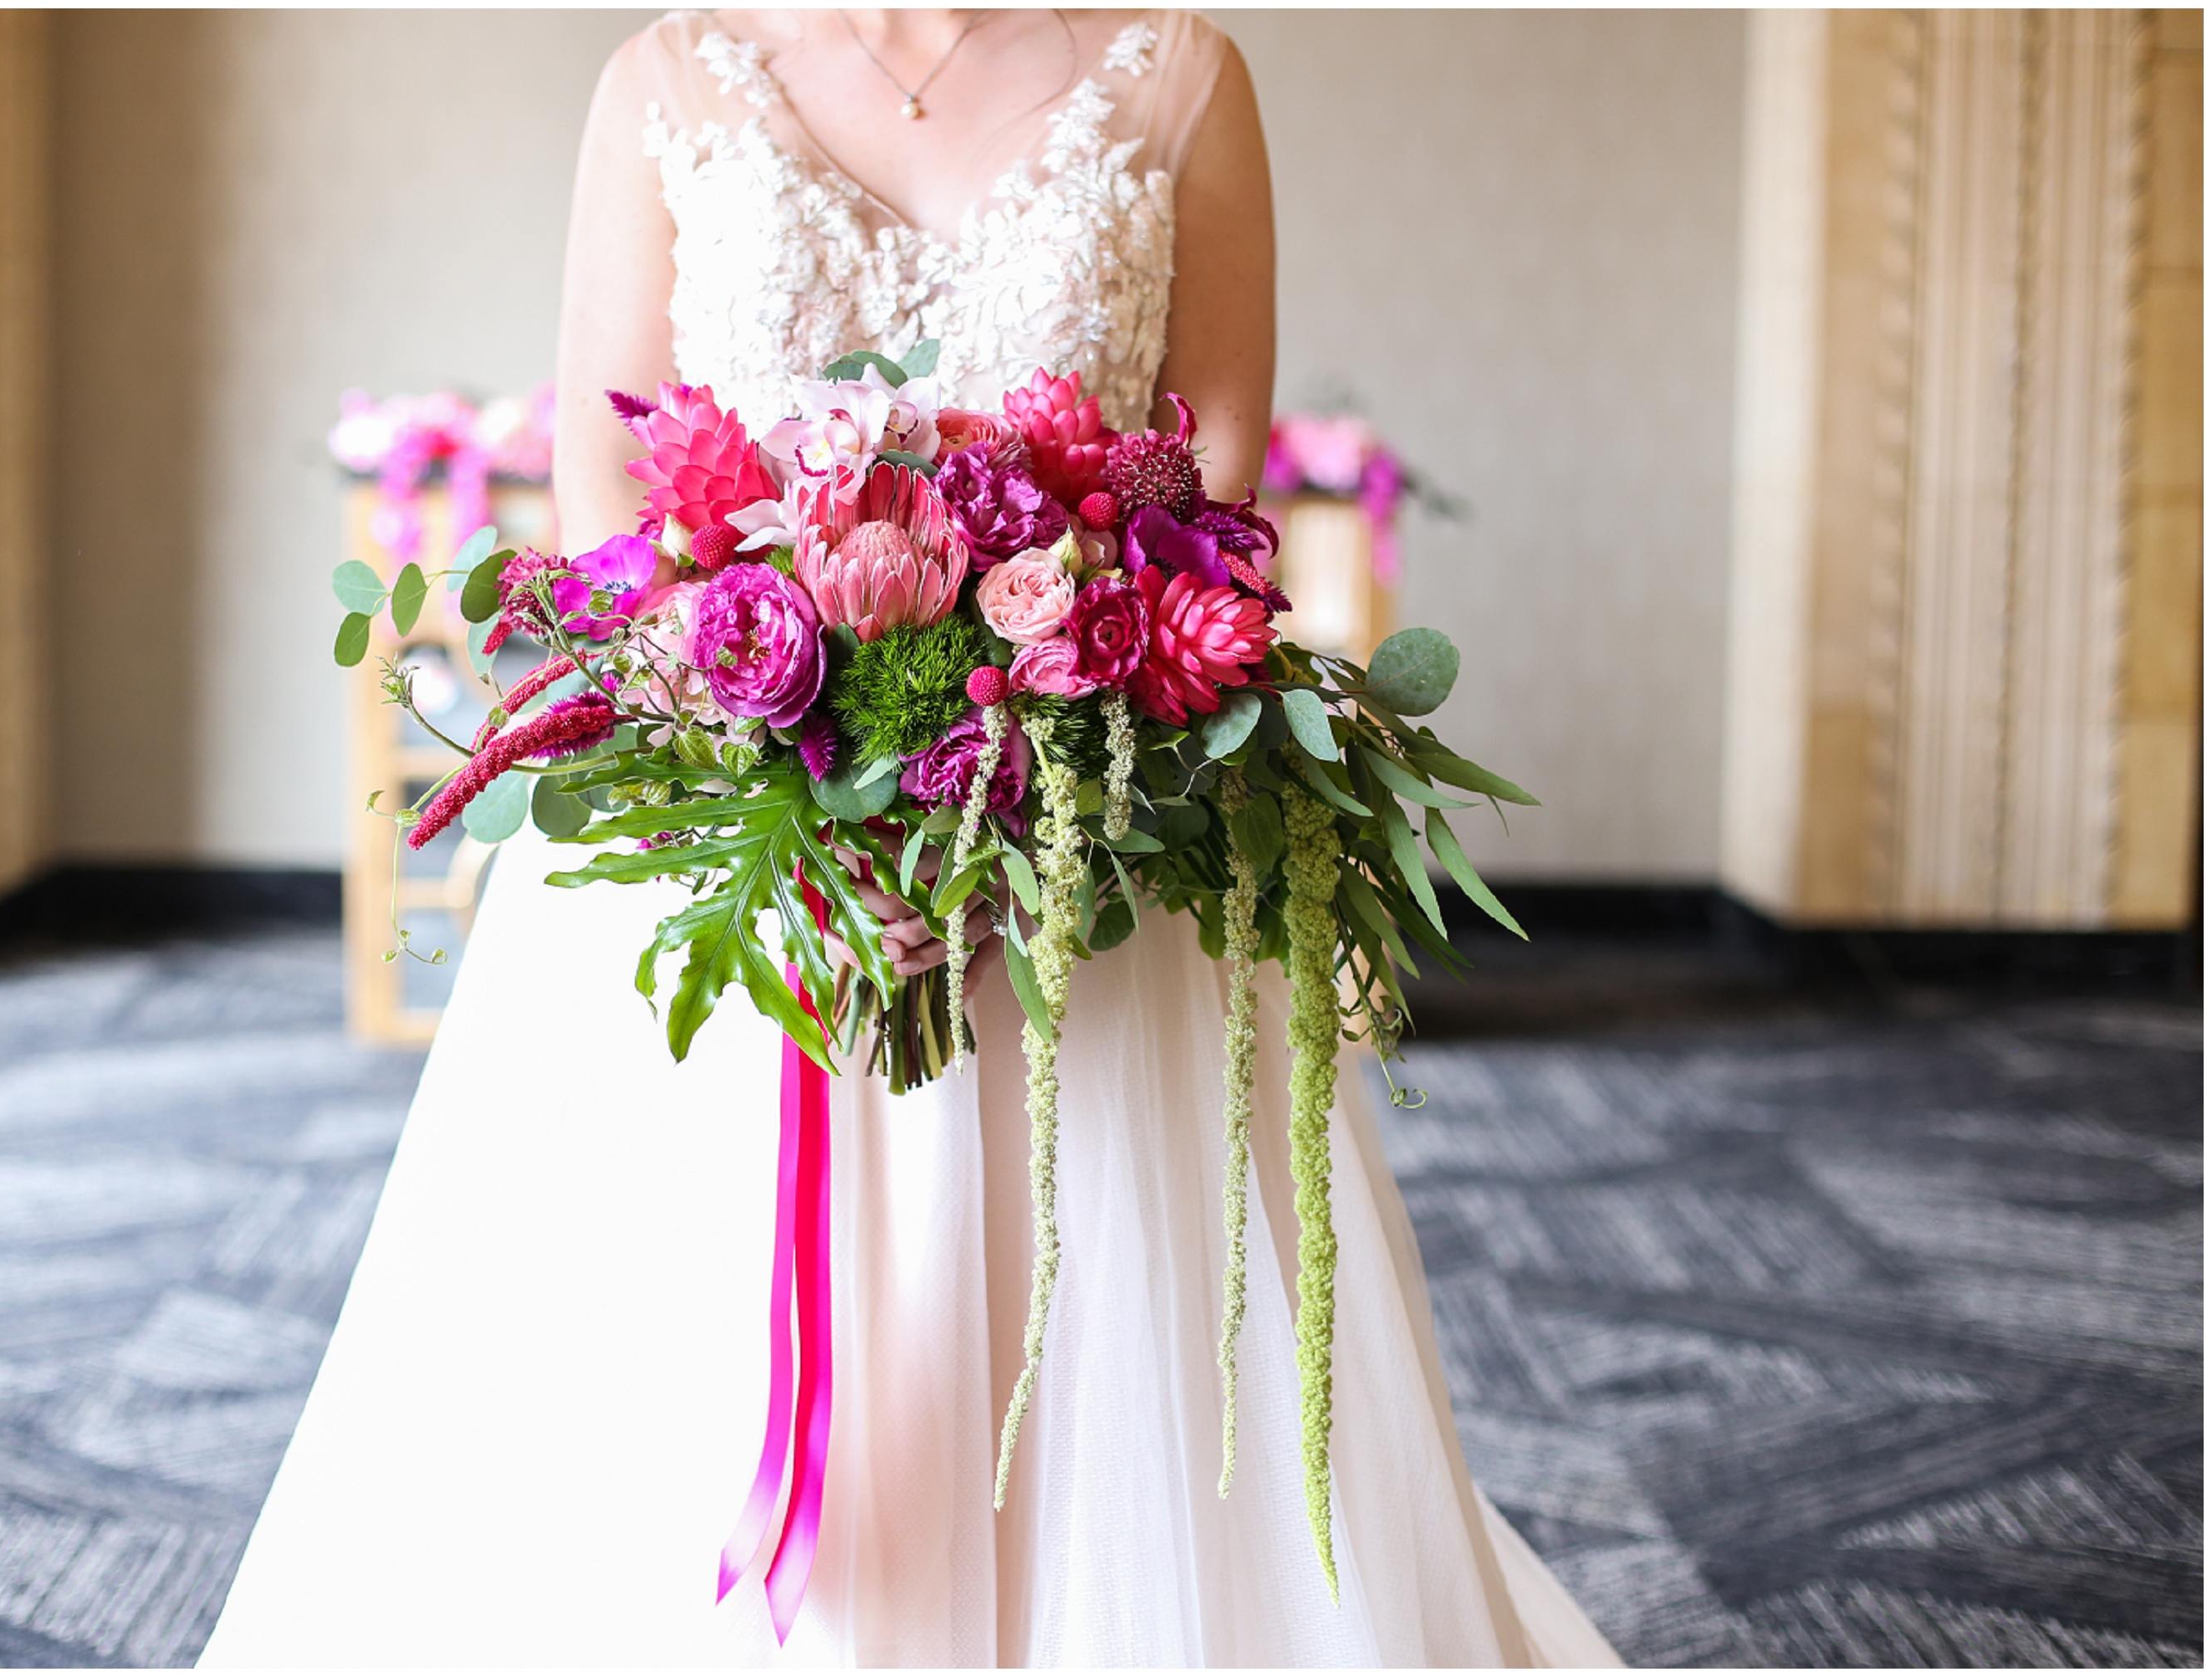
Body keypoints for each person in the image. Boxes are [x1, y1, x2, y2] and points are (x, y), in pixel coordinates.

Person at [202, 12, 1622, 1667]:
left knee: (1113, 1390)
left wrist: (1038, 730)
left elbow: (1216, 482)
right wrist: (759, 749)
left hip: (1091, 844)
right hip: (741, 810)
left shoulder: (1179, 77)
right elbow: (605, 474)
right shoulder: (666, 79)